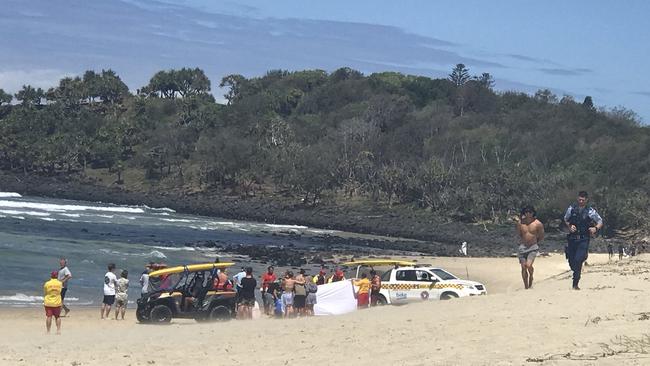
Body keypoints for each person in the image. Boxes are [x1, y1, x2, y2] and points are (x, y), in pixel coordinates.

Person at [564, 191, 603, 290]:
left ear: (586, 200)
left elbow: (600, 221)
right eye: (579, 199)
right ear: (577, 198)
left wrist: (595, 228)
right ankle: (575, 269)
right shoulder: (572, 209)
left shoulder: (590, 211)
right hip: (572, 239)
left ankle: (575, 283)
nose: (581, 201)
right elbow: (565, 219)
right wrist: (569, 226)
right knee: (572, 262)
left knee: (578, 260)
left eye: (583, 199)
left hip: (584, 239)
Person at [514, 205, 544, 289]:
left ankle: (531, 275)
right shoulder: (520, 223)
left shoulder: (537, 223)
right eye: (526, 212)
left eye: (530, 212)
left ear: (533, 213)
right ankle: (526, 286)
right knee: (523, 267)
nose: (528, 214)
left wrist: (535, 242)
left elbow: (541, 235)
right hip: (522, 247)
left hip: (533, 247)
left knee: (528, 265)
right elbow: (519, 234)